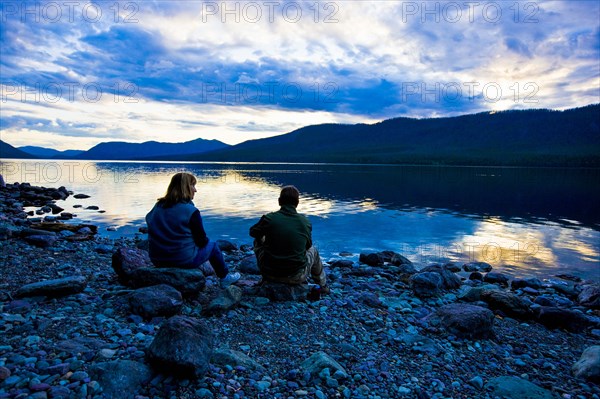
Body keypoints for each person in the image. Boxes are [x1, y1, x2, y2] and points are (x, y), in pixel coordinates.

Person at [146, 172, 240, 288]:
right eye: (193, 185)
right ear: (185, 187)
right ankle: (225, 277)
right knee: (213, 245)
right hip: (182, 260)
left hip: (157, 259)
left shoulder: (158, 206)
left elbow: (149, 220)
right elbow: (201, 241)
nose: (195, 190)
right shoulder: (190, 211)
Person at [249, 185, 328, 292]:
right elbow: (307, 246)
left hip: (269, 273)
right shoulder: (305, 222)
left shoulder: (269, 218)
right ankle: (322, 285)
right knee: (313, 250)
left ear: (279, 201)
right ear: (297, 203)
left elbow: (252, 232)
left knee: (258, 239)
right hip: (296, 276)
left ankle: (265, 278)